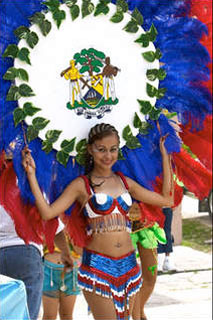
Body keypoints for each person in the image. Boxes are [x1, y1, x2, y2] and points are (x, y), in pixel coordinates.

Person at [22, 122, 174, 320]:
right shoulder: (81, 185)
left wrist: (165, 158)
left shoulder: (124, 181)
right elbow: (47, 213)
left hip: (129, 265)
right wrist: (32, 174)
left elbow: (166, 200)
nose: (108, 156)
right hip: (97, 267)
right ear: (90, 150)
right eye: (101, 150)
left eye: (113, 150)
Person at [0, 152, 73, 320]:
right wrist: (66, 253)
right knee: (27, 313)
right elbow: (54, 226)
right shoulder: (33, 187)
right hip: (26, 254)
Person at [42, 238, 82, 320]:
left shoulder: (73, 225)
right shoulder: (47, 224)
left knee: (66, 315)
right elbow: (38, 245)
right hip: (49, 270)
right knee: (49, 316)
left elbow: (80, 250)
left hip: (70, 271)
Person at [157, 207, 176, 272]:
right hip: (155, 206)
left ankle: (167, 260)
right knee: (157, 232)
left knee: (167, 232)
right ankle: (158, 261)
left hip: (167, 206)